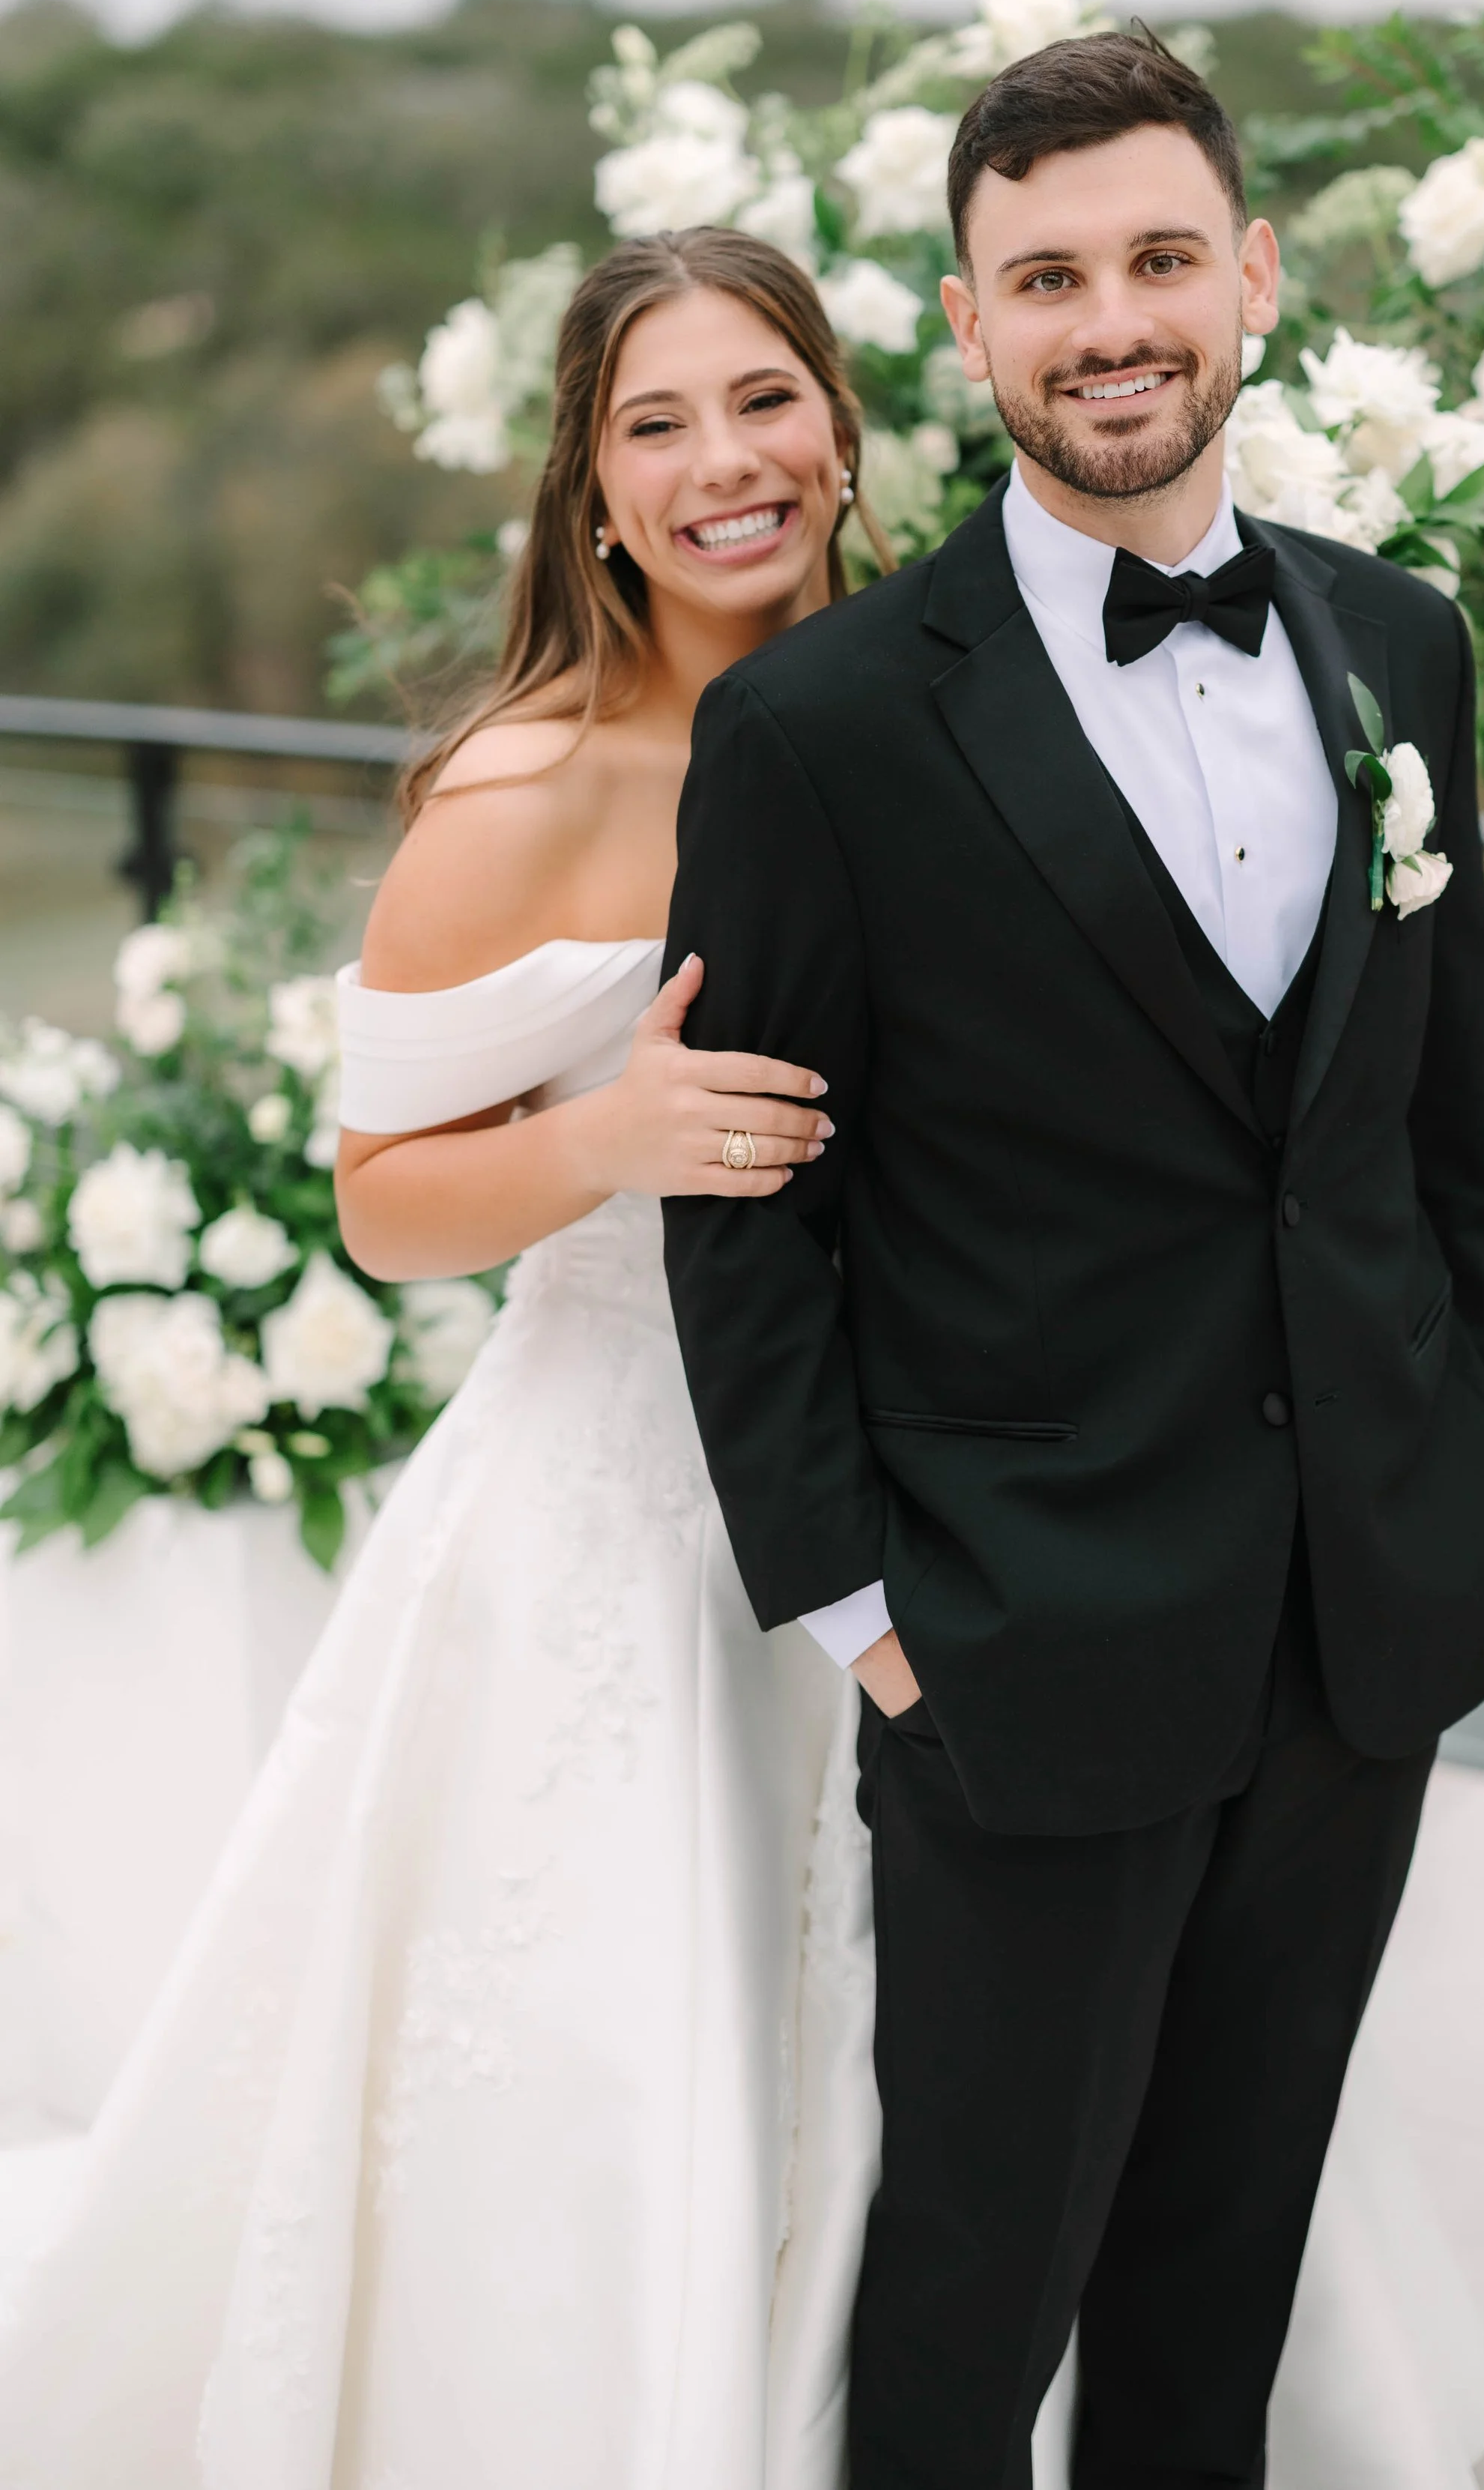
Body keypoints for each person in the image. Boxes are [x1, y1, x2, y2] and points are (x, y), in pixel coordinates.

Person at [661, 32, 1484, 2490]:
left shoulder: (1403, 645)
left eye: (1158, 257)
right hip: (1014, 1632)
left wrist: (1456, 1460)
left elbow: (1429, 1128)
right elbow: (745, 1206)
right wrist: (862, 1612)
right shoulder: (822, 730)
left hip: (1352, 1624)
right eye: (1044, 276)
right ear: (967, 324)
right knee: (971, 2288)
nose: (1109, 318)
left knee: (1219, 2272)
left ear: (1251, 274)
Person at [0, 228, 888, 2490]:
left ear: (841, 420)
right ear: (590, 489)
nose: (722, 464)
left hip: (913, 1473)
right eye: (655, 422)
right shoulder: (524, 784)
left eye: (760, 398)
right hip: (613, 1507)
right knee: (610, 2038)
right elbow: (379, 1196)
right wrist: (600, 1136)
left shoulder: (931, 699)